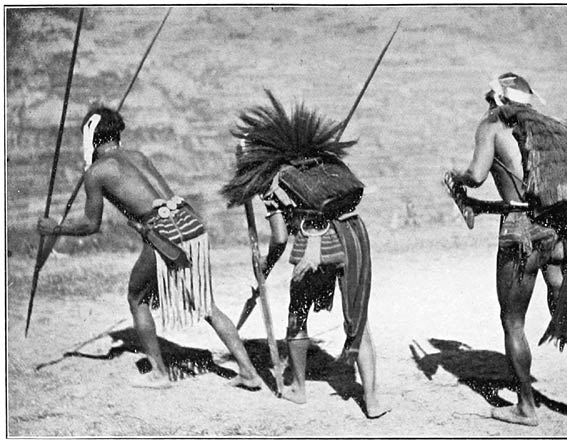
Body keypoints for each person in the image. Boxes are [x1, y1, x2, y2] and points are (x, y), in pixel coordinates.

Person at [37, 105, 262, 390]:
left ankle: (159, 372)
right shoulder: (138, 156)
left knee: (137, 298)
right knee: (205, 304)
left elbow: (91, 225)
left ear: (91, 138)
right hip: (190, 223)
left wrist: (56, 228)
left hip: (165, 233)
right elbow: (159, 201)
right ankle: (249, 371)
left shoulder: (96, 172)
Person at [446, 73, 567, 428]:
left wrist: (456, 177)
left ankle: (526, 407)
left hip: (521, 234)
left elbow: (478, 175)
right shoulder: (547, 130)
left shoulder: (493, 124)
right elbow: (530, 196)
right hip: (559, 230)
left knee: (512, 321)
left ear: (496, 99)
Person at [221, 91, 389, 418]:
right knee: (359, 318)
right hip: (353, 236)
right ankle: (372, 398)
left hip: (315, 243)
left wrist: (265, 269)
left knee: (298, 314)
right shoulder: (320, 160)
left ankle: (298, 388)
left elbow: (280, 238)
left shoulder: (272, 181)